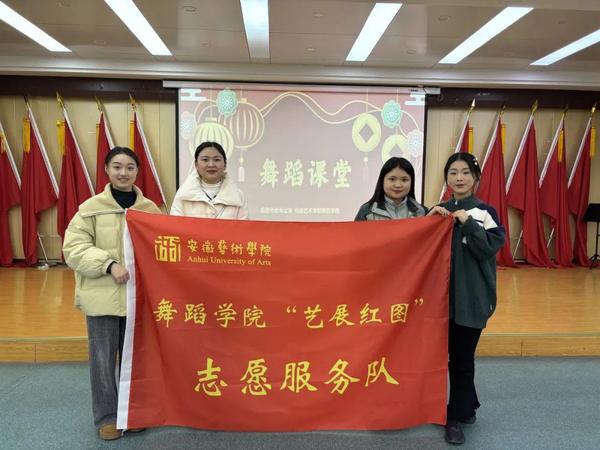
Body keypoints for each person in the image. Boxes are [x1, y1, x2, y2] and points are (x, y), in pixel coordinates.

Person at [62, 147, 161, 441]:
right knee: (103, 360)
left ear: (137, 171)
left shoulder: (150, 210)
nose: (123, 173)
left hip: (137, 299)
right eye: (117, 166)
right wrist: (108, 264)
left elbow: (162, 248)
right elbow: (73, 249)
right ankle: (107, 418)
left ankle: (133, 413)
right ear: (106, 170)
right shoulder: (90, 209)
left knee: (136, 359)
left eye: (130, 167)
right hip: (101, 297)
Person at [428, 152, 505, 445]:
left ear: (476, 178)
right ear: (446, 178)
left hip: (472, 300)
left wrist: (468, 223)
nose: (458, 178)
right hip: (441, 302)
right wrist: (427, 222)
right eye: (453, 173)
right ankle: (467, 405)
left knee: (461, 358)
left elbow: (488, 249)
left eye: (465, 173)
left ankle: (455, 417)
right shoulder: (439, 212)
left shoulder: (486, 213)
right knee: (452, 357)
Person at [171, 141, 248, 218]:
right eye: (205, 160)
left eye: (217, 160)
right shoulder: (183, 194)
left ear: (225, 164)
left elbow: (244, 224)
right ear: (196, 164)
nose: (211, 165)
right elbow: (175, 224)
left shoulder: (238, 196)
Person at [355, 156, 426, 221]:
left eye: (404, 180)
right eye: (392, 179)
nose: (398, 185)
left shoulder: (422, 212)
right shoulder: (367, 211)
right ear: (382, 181)